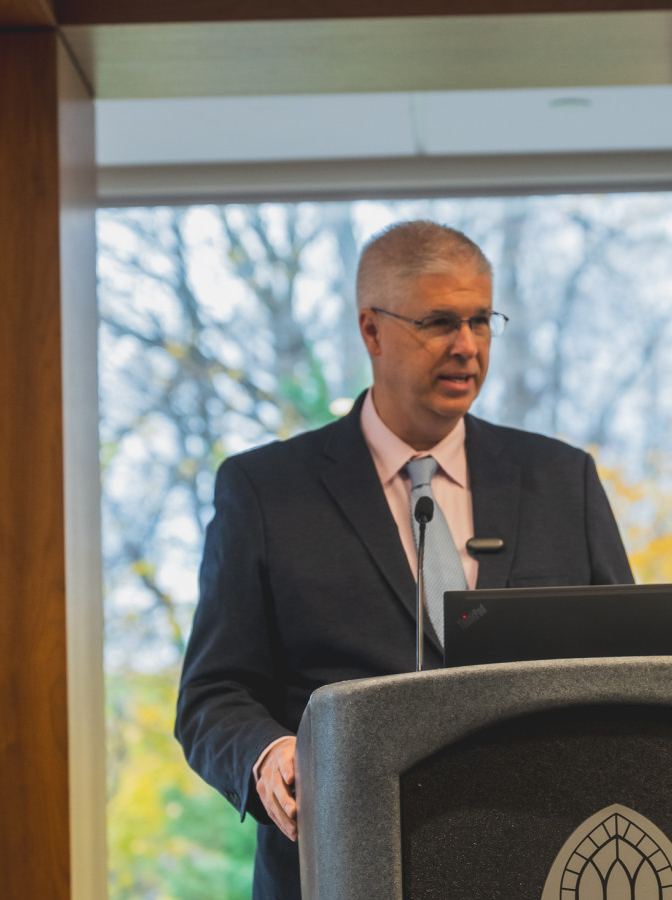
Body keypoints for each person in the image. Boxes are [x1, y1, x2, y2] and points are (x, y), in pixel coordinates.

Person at [175, 220, 634, 899]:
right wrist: (270, 756)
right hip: (342, 866)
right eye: (439, 322)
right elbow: (213, 695)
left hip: (536, 863)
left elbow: (631, 667)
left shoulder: (561, 481)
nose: (467, 347)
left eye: (481, 320)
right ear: (372, 331)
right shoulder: (267, 492)